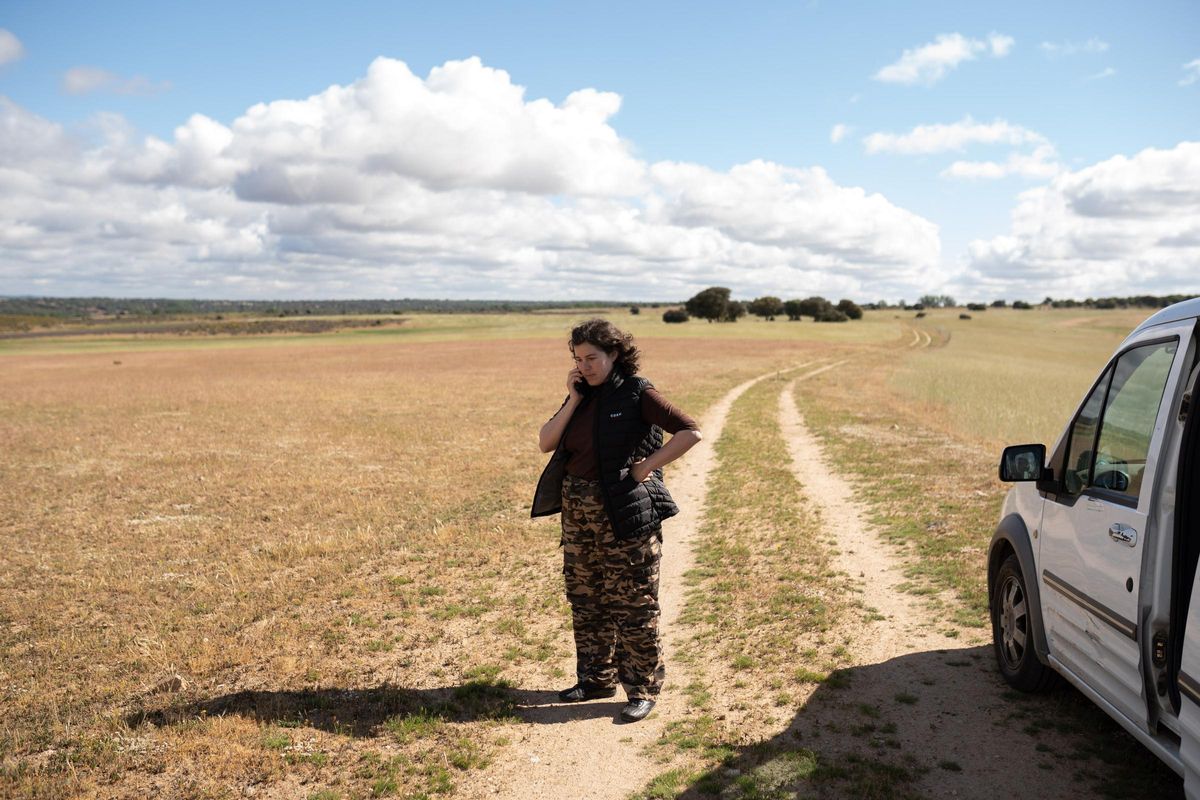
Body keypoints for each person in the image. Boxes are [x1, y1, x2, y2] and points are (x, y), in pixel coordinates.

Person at [530, 318, 702, 723]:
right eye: (578, 359)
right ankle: (596, 679)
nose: (585, 366)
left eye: (593, 358)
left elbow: (690, 432)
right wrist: (571, 399)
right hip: (578, 516)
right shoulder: (582, 396)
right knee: (586, 599)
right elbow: (546, 441)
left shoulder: (639, 392)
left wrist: (646, 467)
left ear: (615, 355)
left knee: (633, 604)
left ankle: (642, 688)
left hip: (624, 514)